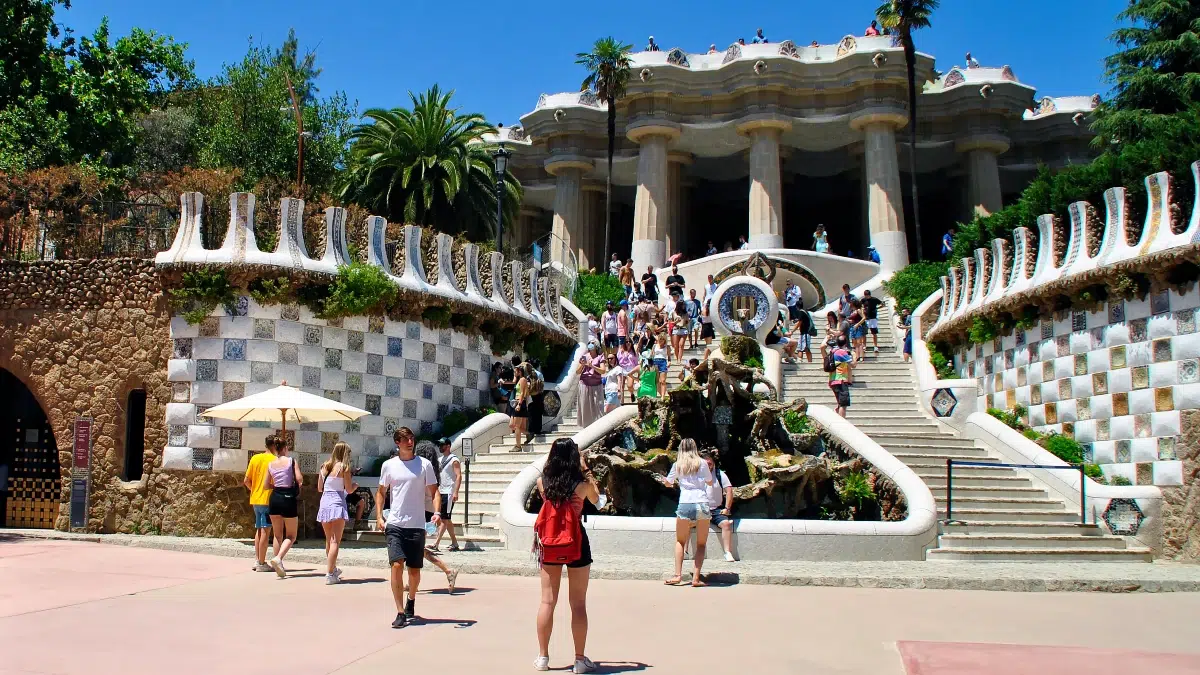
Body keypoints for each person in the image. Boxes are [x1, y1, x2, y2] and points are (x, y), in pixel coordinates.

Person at [533, 438, 599, 673]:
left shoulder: (543, 482)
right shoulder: (582, 484)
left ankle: (543, 657)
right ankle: (579, 660)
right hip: (577, 542)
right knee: (578, 603)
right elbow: (597, 501)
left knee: (547, 601)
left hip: (551, 542)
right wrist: (586, 468)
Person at [377, 428, 442, 628]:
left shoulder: (424, 465)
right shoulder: (389, 466)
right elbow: (381, 492)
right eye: (405, 439)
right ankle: (399, 612)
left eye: (411, 438)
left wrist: (437, 512)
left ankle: (411, 599)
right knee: (396, 565)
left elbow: (435, 491)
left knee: (414, 570)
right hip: (395, 523)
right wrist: (380, 516)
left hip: (416, 525)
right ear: (397, 442)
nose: (410, 442)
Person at [659, 439, 713, 586]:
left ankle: (677, 576)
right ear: (695, 448)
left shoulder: (678, 465)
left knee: (680, 541)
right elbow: (709, 481)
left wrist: (666, 480)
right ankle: (696, 578)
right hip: (701, 503)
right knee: (701, 544)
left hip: (685, 503)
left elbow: (668, 483)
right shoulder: (702, 463)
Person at [413, 440, 460, 591]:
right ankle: (413, 581)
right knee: (415, 549)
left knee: (415, 549)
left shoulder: (422, 469)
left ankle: (448, 571)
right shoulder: (433, 469)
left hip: (421, 510)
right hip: (427, 510)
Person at [317, 441, 358, 584]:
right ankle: (329, 574)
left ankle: (332, 569)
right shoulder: (344, 468)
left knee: (329, 540)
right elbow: (348, 489)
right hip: (337, 504)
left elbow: (320, 488)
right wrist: (354, 486)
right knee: (335, 541)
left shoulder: (324, 466)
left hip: (324, 503)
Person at [264, 436, 302, 578]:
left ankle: (278, 563)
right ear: (285, 448)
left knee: (277, 535)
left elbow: (266, 485)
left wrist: (276, 486)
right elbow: (299, 479)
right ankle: (278, 558)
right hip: (288, 498)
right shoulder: (292, 461)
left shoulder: (271, 464)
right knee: (291, 535)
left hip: (274, 497)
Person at [242, 435, 277, 572]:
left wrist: (254, 490)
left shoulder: (255, 458)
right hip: (268, 499)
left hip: (256, 499)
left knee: (259, 529)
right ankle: (262, 562)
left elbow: (246, 480)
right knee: (265, 531)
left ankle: (258, 560)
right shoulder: (275, 460)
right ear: (275, 446)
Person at [702, 451, 736, 562]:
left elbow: (729, 490)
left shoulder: (720, 474)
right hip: (701, 508)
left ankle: (727, 552)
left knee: (726, 524)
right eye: (705, 464)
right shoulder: (696, 475)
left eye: (710, 464)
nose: (708, 466)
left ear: (713, 463)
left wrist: (727, 508)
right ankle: (685, 551)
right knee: (687, 522)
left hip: (716, 510)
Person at [433, 437, 462, 552]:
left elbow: (458, 475)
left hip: (449, 492)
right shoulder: (440, 460)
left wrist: (456, 491)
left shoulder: (454, 460)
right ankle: (454, 543)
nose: (440, 447)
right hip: (440, 491)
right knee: (447, 518)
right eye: (439, 445)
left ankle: (436, 543)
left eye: (442, 445)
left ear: (448, 446)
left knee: (444, 518)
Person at [578, 343, 604, 427]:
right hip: (585, 384)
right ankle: (586, 427)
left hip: (597, 385)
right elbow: (577, 372)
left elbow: (603, 371)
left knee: (598, 407)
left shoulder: (600, 357)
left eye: (592, 343)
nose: (590, 345)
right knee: (585, 408)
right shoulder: (584, 356)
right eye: (589, 343)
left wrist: (592, 366)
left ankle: (598, 427)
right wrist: (582, 365)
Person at [828, 337, 854, 418]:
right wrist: (855, 355)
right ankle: (842, 424)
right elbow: (853, 365)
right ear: (845, 343)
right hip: (841, 380)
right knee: (843, 404)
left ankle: (836, 418)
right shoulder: (842, 352)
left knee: (840, 403)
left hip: (833, 380)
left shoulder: (833, 351)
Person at [508, 363, 531, 452]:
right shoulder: (519, 380)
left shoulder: (522, 380)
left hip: (520, 403)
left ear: (520, 372)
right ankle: (528, 434)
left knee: (517, 426)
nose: (514, 372)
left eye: (515, 371)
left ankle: (518, 446)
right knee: (512, 425)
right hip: (517, 402)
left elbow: (522, 393)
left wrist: (519, 404)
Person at [528, 357, 546, 439]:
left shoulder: (528, 373)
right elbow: (542, 385)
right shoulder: (539, 374)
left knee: (531, 411)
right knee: (538, 412)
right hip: (538, 394)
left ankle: (531, 429)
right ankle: (538, 429)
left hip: (530, 394)